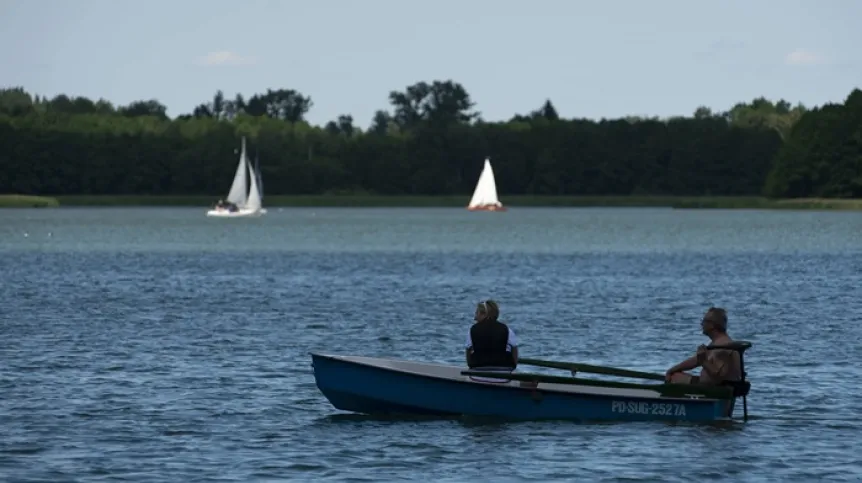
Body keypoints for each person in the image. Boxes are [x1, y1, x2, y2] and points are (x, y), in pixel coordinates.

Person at [665, 307, 741, 385]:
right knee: (676, 375)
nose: (701, 324)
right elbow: (696, 360)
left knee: (675, 378)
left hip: (716, 389)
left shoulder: (723, 346)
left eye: (704, 321)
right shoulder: (717, 343)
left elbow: (719, 375)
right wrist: (672, 370)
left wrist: (703, 361)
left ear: (712, 325)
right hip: (709, 386)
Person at [465, 300, 518, 370]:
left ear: (484, 314)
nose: (475, 318)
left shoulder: (472, 330)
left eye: (477, 313)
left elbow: (468, 354)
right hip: (504, 372)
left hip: (478, 371)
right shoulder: (507, 330)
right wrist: (512, 367)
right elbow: (514, 352)